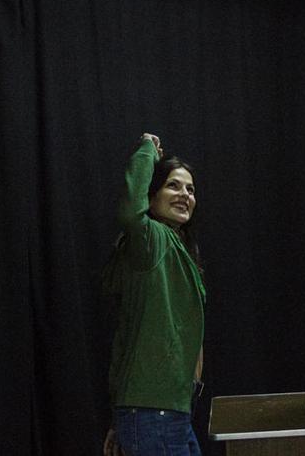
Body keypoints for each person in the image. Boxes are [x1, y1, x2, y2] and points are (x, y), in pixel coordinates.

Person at [102, 133, 206, 456]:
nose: (184, 195)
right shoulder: (152, 240)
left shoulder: (179, 252)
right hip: (152, 414)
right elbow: (132, 210)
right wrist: (147, 150)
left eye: (190, 189)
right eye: (173, 185)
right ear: (153, 194)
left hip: (169, 413)